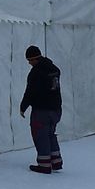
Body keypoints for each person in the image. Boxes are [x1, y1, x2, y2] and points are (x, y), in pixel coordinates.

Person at [19, 45, 64, 173]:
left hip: (42, 110)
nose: (29, 63)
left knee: (40, 135)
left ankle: (44, 164)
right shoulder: (55, 69)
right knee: (51, 134)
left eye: (29, 60)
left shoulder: (36, 73)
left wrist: (23, 107)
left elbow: (30, 92)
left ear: (34, 59)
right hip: (56, 109)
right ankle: (56, 161)